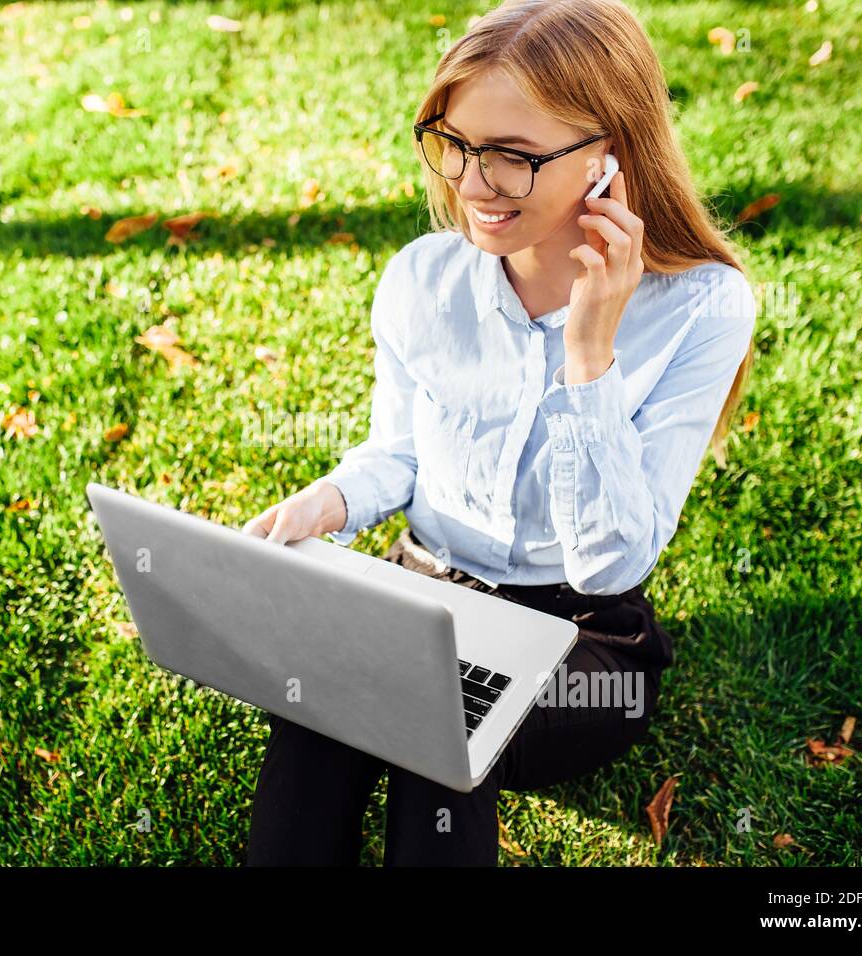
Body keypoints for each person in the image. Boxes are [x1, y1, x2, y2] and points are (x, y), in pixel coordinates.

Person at [240, 0, 757, 866]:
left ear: (609, 158)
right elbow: (398, 451)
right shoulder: (422, 277)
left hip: (583, 644)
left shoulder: (702, 306)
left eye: (513, 158)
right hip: (425, 597)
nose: (473, 185)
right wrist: (327, 503)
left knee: (434, 717)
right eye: (458, 144)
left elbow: (611, 563)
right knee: (320, 704)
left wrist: (590, 353)